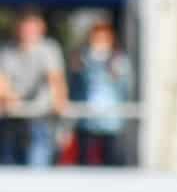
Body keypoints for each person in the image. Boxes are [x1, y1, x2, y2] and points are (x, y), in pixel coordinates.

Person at [0, 9, 68, 166]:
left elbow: (55, 79)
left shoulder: (49, 49)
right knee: (9, 166)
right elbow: (2, 81)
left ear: (41, 28)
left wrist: (60, 101)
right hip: (12, 117)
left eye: (31, 28)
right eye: (25, 28)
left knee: (37, 165)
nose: (27, 32)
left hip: (40, 117)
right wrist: (8, 97)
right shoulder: (6, 51)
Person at [70, 21, 133, 166]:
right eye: (96, 38)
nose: (99, 42)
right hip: (86, 118)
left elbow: (125, 88)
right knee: (84, 160)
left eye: (104, 38)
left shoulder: (119, 59)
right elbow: (76, 86)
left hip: (111, 120)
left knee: (110, 160)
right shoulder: (82, 58)